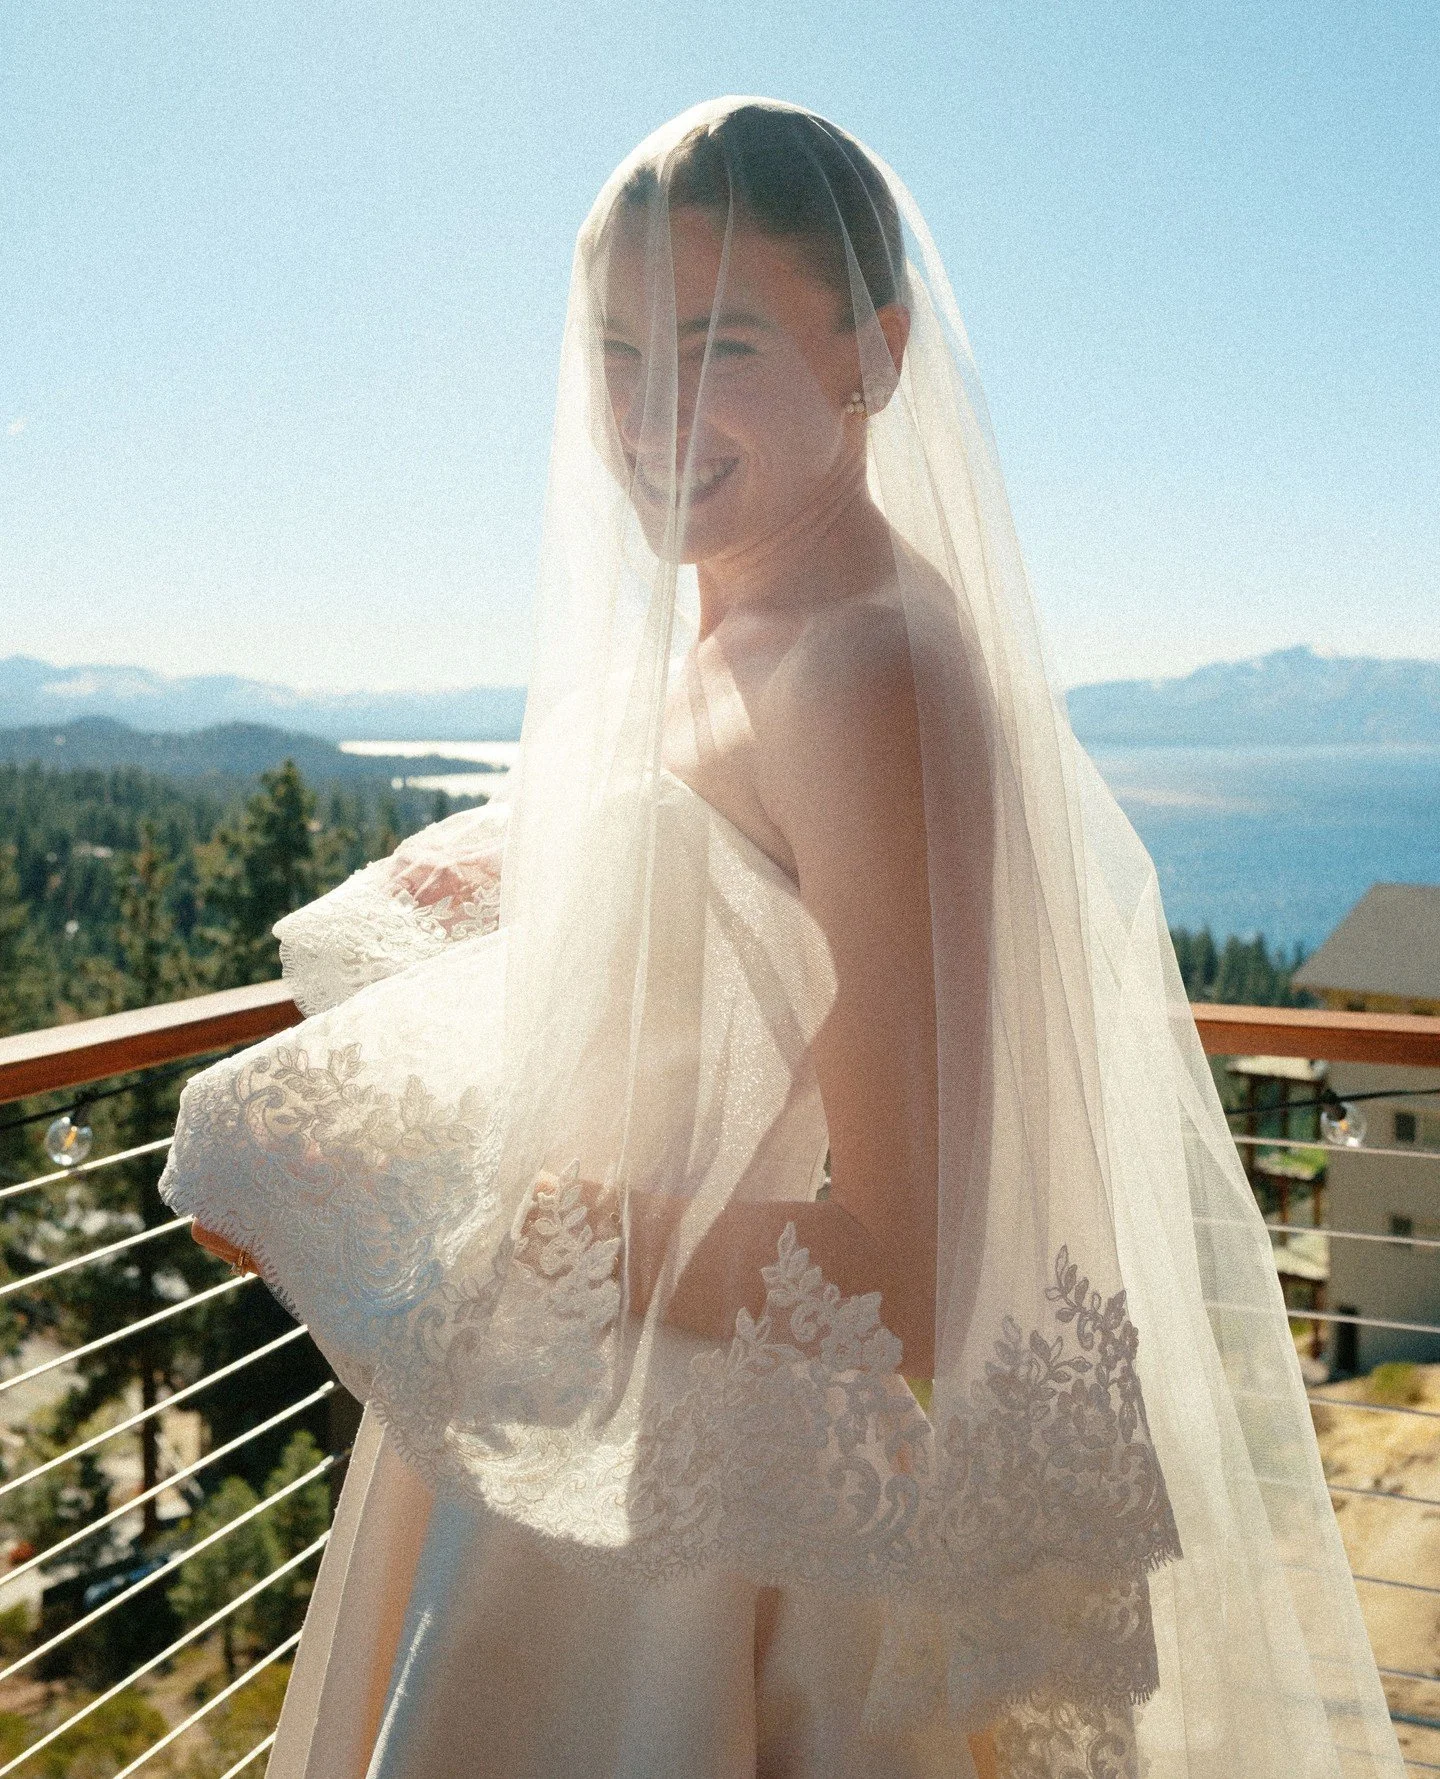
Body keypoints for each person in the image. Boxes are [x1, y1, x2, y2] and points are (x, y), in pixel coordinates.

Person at [166, 99, 1403, 1778]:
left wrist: (506, 1229)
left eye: (716, 346)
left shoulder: (871, 673)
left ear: (873, 355)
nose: (648, 415)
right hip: (581, 1437)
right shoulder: (735, 634)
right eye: (617, 353)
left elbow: (908, 1266)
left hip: (689, 1543)